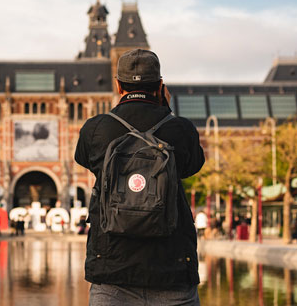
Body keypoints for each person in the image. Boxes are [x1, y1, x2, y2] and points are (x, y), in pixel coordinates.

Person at [75, 49, 205, 305]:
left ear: (117, 85)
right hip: (173, 273)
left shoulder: (96, 129)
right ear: (160, 86)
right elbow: (191, 166)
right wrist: (166, 110)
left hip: (112, 275)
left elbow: (85, 160)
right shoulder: (181, 129)